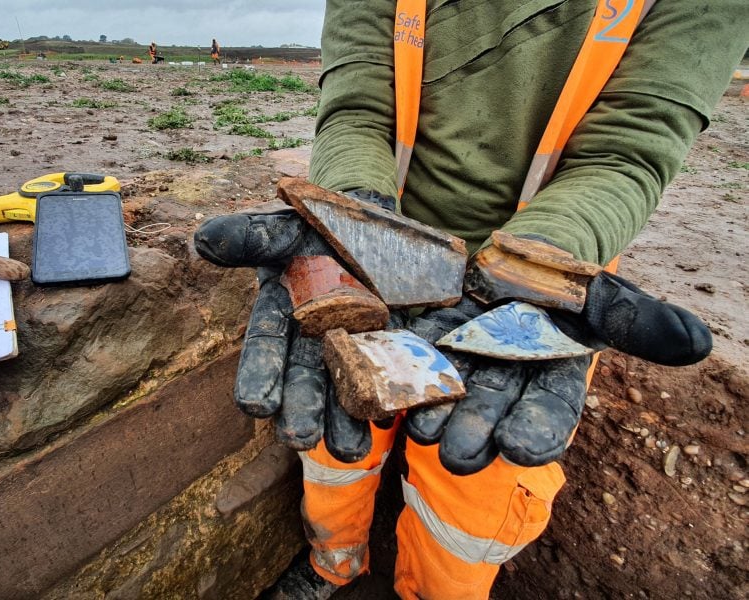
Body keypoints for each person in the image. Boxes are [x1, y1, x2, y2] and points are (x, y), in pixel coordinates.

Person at [194, 1, 747, 598]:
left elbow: (626, 152)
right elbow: (357, 110)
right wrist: (352, 224)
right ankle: (336, 562)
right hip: (377, 248)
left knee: (475, 478)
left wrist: (537, 261)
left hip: (544, 268)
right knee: (336, 430)